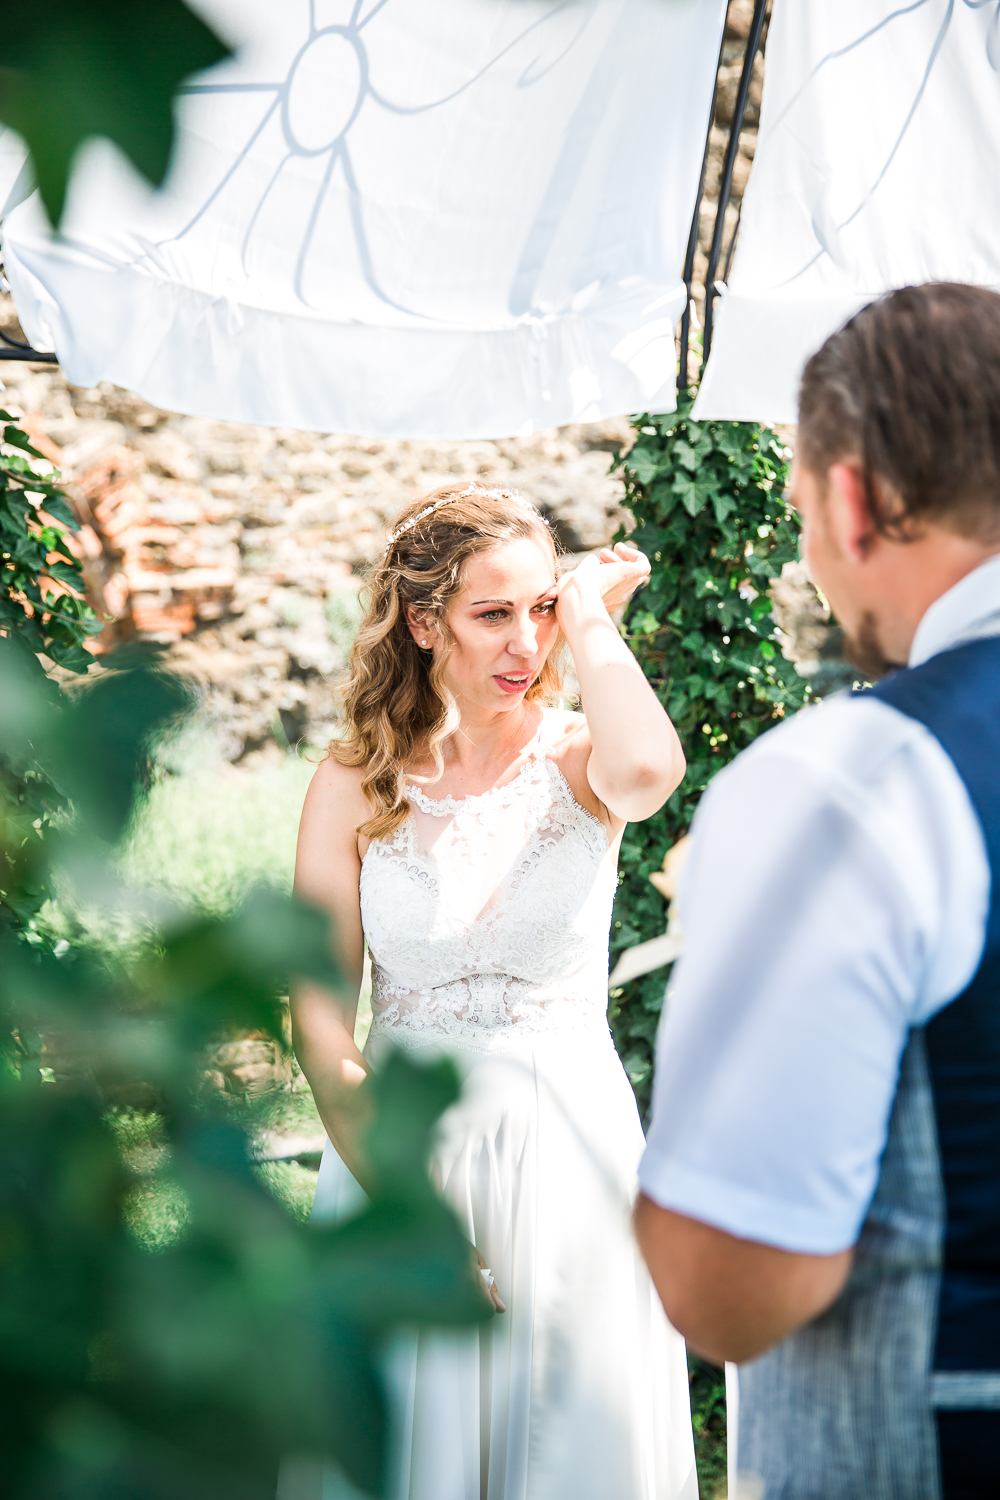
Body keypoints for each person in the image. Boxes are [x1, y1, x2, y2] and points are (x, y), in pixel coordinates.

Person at [634, 282, 1000, 1499]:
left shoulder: (849, 785)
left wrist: (731, 940)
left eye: (795, 508)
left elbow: (725, 1289)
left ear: (852, 498)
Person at [283, 483, 698, 1500]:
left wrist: (592, 613)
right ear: (424, 624)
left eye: (540, 609)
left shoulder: (578, 759)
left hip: (570, 1153)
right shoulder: (354, 779)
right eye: (492, 613)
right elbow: (318, 1009)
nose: (525, 641)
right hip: (396, 1154)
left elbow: (651, 769)